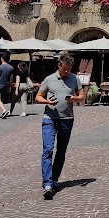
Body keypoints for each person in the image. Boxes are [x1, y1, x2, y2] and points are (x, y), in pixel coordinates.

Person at [35, 52, 85, 199]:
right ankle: (47, 184)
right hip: (49, 119)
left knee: (61, 151)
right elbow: (38, 96)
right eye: (64, 69)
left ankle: (55, 179)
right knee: (48, 149)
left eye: (69, 69)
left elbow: (81, 96)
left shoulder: (74, 79)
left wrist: (73, 98)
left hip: (67, 119)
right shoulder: (49, 79)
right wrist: (47, 102)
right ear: (59, 65)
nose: (66, 72)